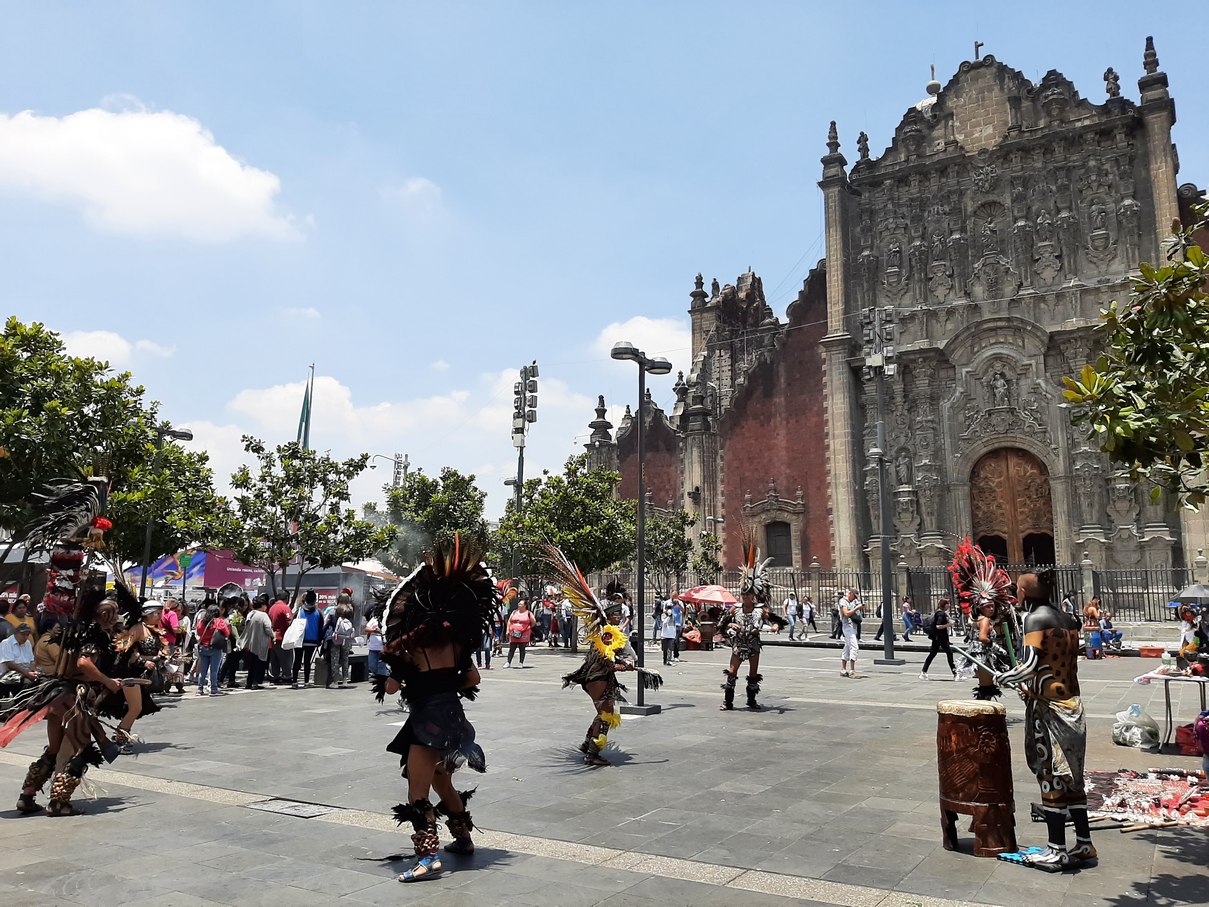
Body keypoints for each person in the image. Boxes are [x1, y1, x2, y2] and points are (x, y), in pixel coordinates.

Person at [376, 536, 495, 882]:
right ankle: (463, 839)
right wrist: (446, 684)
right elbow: (472, 679)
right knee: (443, 780)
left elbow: (392, 687)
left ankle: (428, 858)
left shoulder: (411, 647)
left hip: (426, 723)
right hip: (455, 720)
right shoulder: (458, 644)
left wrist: (398, 673)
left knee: (418, 792)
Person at [996, 570, 1095, 872]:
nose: (1016, 594)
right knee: (1073, 778)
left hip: (1049, 710)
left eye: (1017, 589)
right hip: (1073, 705)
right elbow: (1055, 663)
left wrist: (1004, 677)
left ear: (1024, 593)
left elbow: (1029, 665)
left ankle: (1057, 850)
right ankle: (1084, 843)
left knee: (1050, 774)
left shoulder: (1035, 619)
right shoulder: (1069, 619)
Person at [546, 546, 662, 766]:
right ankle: (592, 754)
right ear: (608, 616)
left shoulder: (613, 633)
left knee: (603, 711)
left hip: (600, 678)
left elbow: (623, 655)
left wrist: (627, 662)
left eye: (620, 613)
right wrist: (621, 666)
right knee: (607, 714)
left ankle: (587, 744)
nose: (619, 616)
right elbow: (605, 660)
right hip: (597, 677)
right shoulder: (606, 634)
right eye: (615, 613)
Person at [718, 534, 786, 709]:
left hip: (754, 643)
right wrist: (730, 626)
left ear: (753, 596)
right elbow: (721, 624)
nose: (746, 597)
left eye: (748, 594)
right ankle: (728, 701)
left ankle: (751, 700)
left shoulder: (760, 610)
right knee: (732, 672)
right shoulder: (735, 609)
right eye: (743, 594)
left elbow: (777, 621)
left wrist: (775, 626)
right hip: (739, 643)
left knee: (753, 674)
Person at [195, 605, 230, 696]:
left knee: (203, 670)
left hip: (203, 647)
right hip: (215, 648)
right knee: (214, 670)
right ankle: (213, 688)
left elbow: (198, 632)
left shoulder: (202, 621)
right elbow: (227, 633)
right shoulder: (219, 621)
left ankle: (200, 689)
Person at [919, 598, 956, 680]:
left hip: (937, 637)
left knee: (933, 654)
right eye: (947, 603)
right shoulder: (941, 614)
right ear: (944, 605)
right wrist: (949, 625)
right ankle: (956, 674)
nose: (949, 605)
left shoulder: (940, 612)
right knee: (949, 653)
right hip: (940, 637)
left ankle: (923, 672)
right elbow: (938, 626)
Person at [240, 595, 273, 689]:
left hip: (251, 642)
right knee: (260, 663)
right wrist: (272, 635)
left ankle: (249, 682)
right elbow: (268, 628)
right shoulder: (263, 615)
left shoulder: (250, 614)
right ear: (262, 605)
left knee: (251, 664)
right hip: (261, 642)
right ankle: (256, 682)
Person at [291, 591, 323, 687]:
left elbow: (292, 624)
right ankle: (306, 682)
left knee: (297, 660)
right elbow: (321, 628)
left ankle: (294, 681)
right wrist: (319, 640)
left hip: (300, 640)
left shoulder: (299, 611)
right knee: (307, 662)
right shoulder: (318, 613)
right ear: (314, 600)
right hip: (312, 641)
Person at [0, 623, 37, 695]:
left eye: (27, 635)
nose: (25, 637)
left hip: (25, 672)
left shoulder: (27, 643)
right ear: (16, 633)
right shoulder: (6, 643)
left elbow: (31, 661)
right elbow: (10, 664)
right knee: (29, 685)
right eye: (23, 634)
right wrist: (27, 674)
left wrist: (34, 672)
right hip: (9, 674)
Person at [268, 591, 293, 684]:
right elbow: (290, 621)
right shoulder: (285, 608)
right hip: (283, 638)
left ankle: (275, 677)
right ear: (287, 598)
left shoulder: (272, 608)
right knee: (286, 658)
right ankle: (287, 676)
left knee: (274, 660)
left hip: (273, 638)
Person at [329, 601, 356, 688]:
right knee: (345, 660)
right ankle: (345, 680)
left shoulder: (336, 618)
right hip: (347, 640)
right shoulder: (350, 619)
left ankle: (335, 682)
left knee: (335, 660)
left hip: (337, 640)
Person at [839, 589, 863, 677]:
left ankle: (843, 669)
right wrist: (856, 608)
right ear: (850, 594)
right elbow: (846, 613)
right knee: (854, 646)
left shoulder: (853, 601)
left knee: (847, 647)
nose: (855, 598)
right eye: (854, 596)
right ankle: (852, 670)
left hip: (853, 627)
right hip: (847, 626)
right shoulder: (843, 601)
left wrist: (859, 606)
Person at [505, 600, 536, 668]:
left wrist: (528, 627)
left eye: (521, 604)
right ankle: (508, 662)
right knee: (512, 647)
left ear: (525, 605)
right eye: (519, 604)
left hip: (524, 633)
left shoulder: (528, 613)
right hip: (513, 632)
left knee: (522, 648)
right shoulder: (514, 612)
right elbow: (509, 621)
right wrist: (508, 630)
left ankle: (521, 663)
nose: (519, 605)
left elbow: (533, 622)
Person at [365, 612, 387, 676]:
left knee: (381, 666)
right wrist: (374, 630)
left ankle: (382, 678)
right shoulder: (374, 619)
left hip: (382, 647)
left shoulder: (386, 619)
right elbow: (366, 629)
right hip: (373, 647)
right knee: (372, 666)